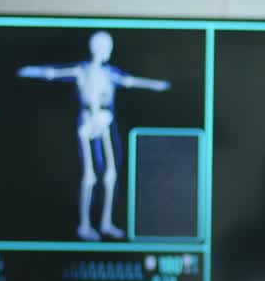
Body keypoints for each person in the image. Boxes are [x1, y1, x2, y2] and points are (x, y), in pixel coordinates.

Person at [17, 31, 170, 242]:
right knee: (89, 176)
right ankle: (84, 225)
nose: (108, 52)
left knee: (111, 174)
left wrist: (157, 85)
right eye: (106, 47)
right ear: (97, 48)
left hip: (104, 121)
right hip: (88, 121)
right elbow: (54, 73)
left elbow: (129, 81)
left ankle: (106, 223)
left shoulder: (109, 73)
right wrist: (29, 71)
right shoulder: (83, 71)